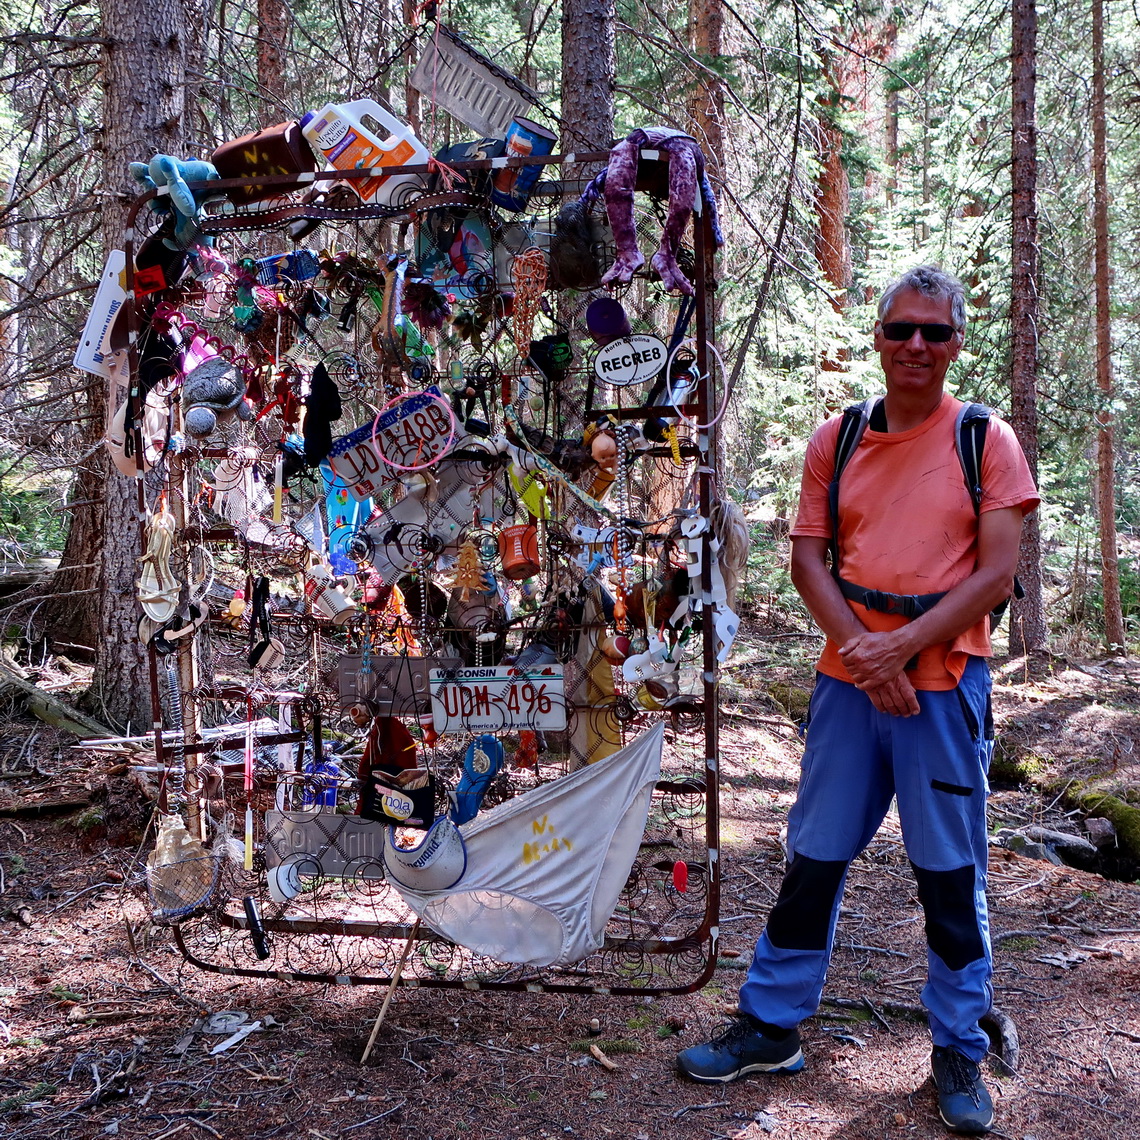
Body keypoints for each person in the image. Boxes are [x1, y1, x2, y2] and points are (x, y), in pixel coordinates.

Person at [677, 266, 1040, 1134]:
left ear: (956, 343)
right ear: (879, 337)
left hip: (946, 685)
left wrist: (902, 650)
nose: (918, 345)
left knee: (950, 873)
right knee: (816, 855)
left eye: (936, 333)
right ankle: (771, 1025)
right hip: (849, 684)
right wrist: (865, 657)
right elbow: (808, 559)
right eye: (903, 329)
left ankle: (959, 1045)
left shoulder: (986, 441)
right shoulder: (835, 441)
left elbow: (996, 573)